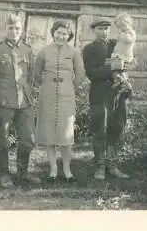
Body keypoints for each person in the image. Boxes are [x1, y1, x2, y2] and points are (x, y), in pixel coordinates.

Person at [0, 14, 41, 188]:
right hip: (3, 100)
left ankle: (23, 172)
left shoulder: (27, 50)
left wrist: (31, 94)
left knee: (28, 138)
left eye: (17, 28)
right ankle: (4, 174)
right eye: (11, 28)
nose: (14, 31)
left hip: (24, 101)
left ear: (22, 30)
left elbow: (31, 76)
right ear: (5, 29)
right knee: (2, 139)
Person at [34, 20, 86, 182]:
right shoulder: (43, 51)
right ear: (53, 32)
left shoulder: (74, 52)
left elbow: (81, 73)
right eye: (58, 32)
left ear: (69, 35)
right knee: (49, 132)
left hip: (66, 95)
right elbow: (36, 73)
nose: (61, 36)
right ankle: (53, 169)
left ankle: (67, 169)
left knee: (66, 133)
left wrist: (70, 87)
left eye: (65, 33)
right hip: (47, 94)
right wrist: (45, 84)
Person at [82, 17, 131, 181]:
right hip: (99, 93)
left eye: (106, 28)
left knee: (117, 128)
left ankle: (112, 164)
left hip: (117, 92)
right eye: (100, 29)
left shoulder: (116, 45)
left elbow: (126, 60)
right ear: (94, 30)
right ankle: (100, 166)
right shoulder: (89, 49)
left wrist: (124, 67)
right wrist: (111, 67)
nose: (104, 32)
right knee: (100, 130)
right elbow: (92, 73)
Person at [109, 13, 137, 92]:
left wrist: (121, 34)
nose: (121, 29)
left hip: (125, 56)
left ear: (128, 24)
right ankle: (119, 80)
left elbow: (129, 39)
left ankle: (126, 84)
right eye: (119, 27)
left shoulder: (131, 33)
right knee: (114, 69)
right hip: (119, 55)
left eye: (122, 26)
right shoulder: (124, 33)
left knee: (121, 70)